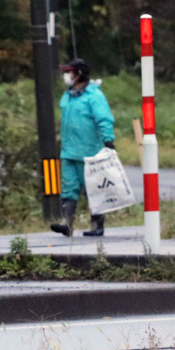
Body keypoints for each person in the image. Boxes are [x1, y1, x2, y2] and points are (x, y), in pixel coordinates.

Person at [54, 58, 116, 237]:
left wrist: (108, 141)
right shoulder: (68, 95)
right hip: (68, 151)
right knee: (68, 187)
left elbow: (104, 119)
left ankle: (97, 225)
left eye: (70, 72)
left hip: (88, 152)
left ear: (79, 73)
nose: (67, 75)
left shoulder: (94, 96)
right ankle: (66, 223)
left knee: (93, 188)